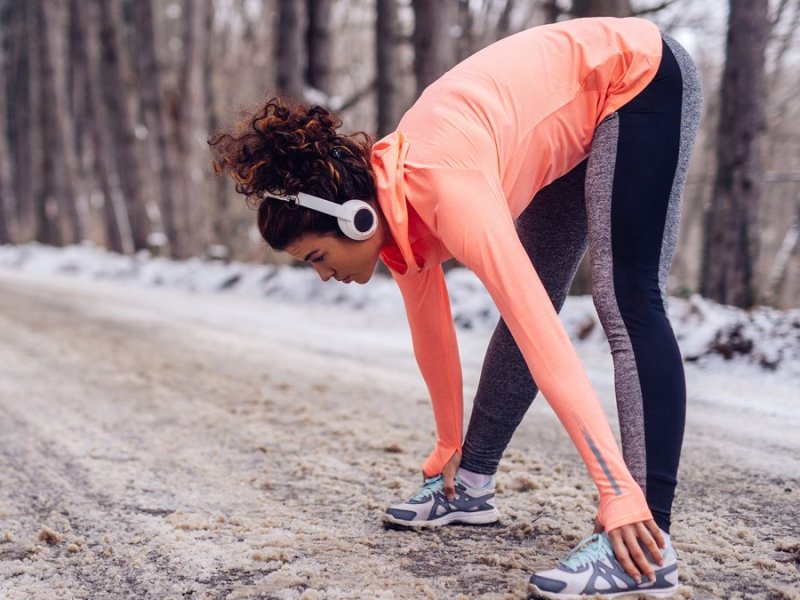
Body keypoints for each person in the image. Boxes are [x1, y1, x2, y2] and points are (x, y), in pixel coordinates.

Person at [209, 15, 702, 599]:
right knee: (533, 293)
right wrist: (448, 444)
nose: (323, 275)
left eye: (317, 255)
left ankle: (648, 544)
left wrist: (614, 491)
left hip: (637, 78)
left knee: (625, 299)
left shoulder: (446, 188)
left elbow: (543, 334)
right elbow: (433, 336)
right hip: (577, 112)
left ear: (355, 218)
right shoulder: (393, 211)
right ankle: (468, 486)